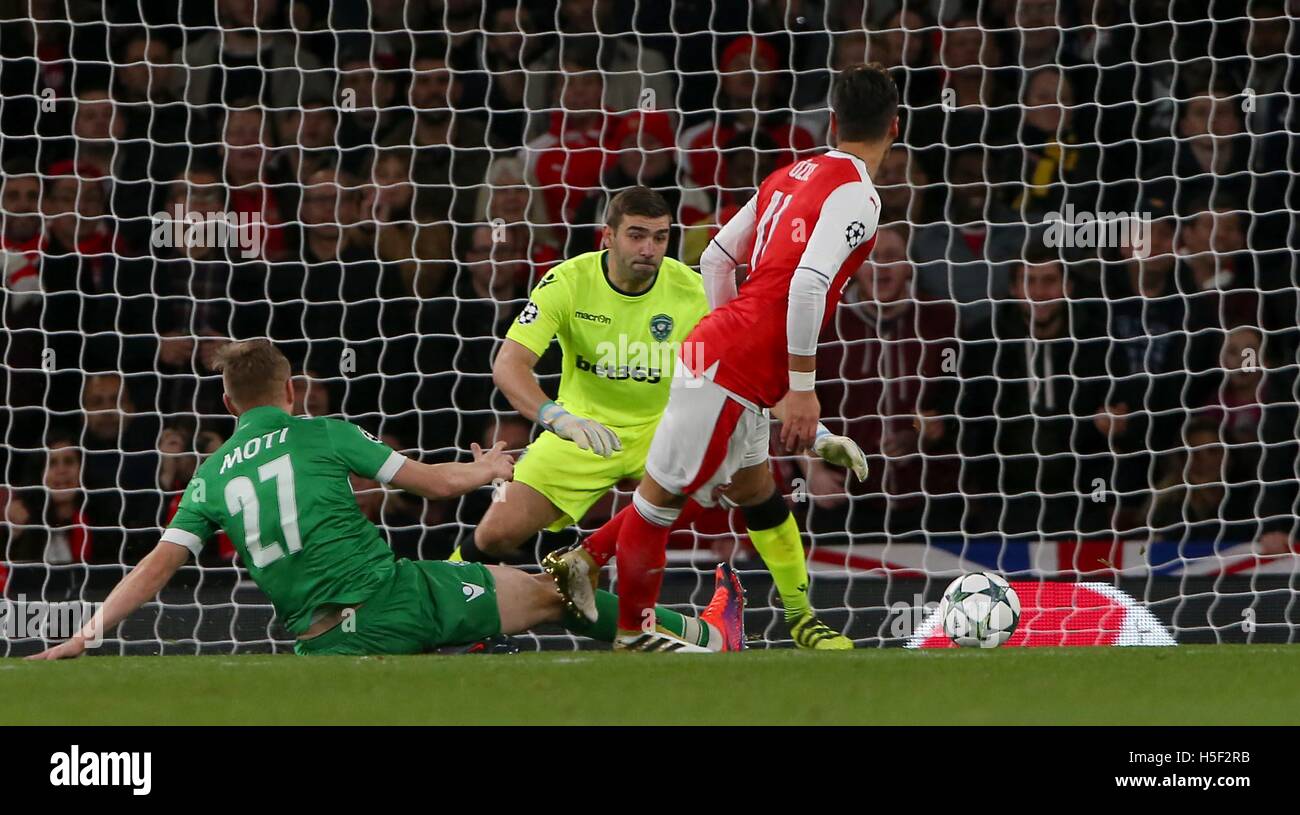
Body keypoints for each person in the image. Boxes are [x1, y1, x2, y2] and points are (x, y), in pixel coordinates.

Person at [27, 340, 744, 659]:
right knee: (562, 592)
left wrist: (88, 632)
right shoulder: (321, 433)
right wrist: (490, 466)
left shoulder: (210, 473)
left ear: (226, 398)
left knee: (492, 604)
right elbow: (431, 483)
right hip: (393, 598)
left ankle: (467, 634)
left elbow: (155, 566)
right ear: (287, 392)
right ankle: (711, 636)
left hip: (317, 642)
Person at [548, 64, 898, 651]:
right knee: (660, 501)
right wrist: (801, 386)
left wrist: (738, 343)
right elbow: (810, 283)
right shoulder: (860, 192)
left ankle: (801, 619)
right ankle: (632, 632)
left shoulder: (787, 175)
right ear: (895, 126)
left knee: (756, 489)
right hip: (734, 365)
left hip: (734, 362)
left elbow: (714, 259)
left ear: (833, 122)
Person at [472, 186, 866, 650]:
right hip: (583, 430)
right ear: (607, 237)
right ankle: (462, 616)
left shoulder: (695, 291)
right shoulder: (566, 281)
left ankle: (801, 618)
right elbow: (508, 365)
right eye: (637, 236)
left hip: (666, 429)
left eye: (660, 238)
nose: (649, 249)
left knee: (752, 482)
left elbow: (745, 375)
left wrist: (815, 435)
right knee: (495, 533)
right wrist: (557, 418)